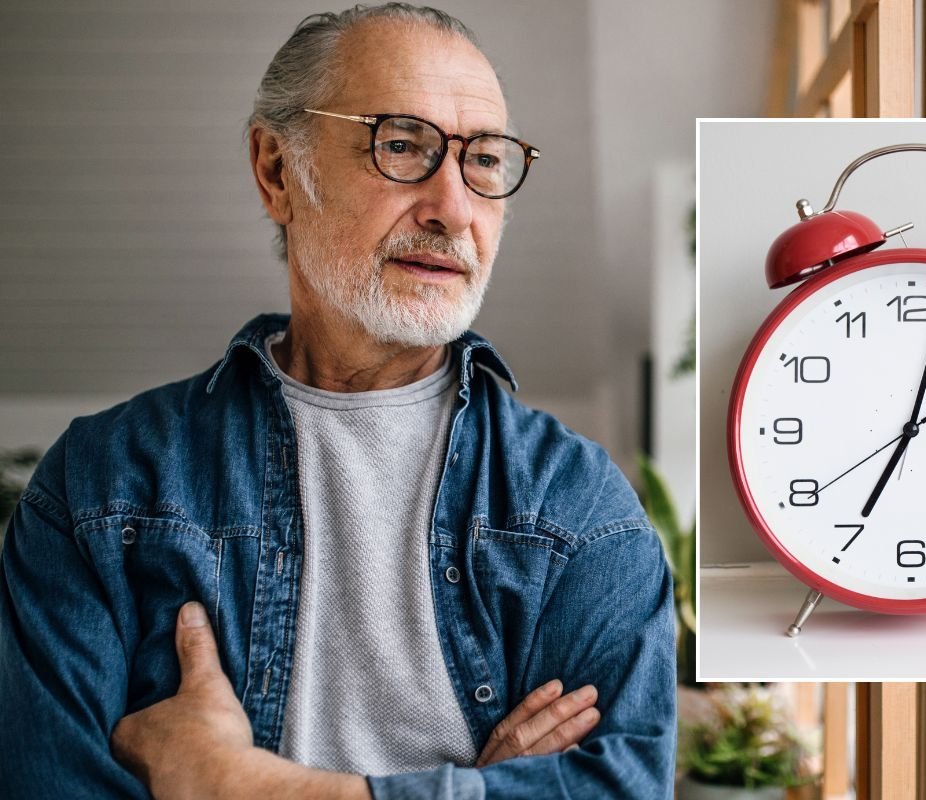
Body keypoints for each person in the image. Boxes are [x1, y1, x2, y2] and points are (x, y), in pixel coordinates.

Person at [0, 5, 676, 798]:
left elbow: (622, 787)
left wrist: (239, 786)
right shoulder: (98, 486)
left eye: (485, 161)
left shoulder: (579, 510)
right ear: (277, 171)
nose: (453, 208)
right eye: (401, 145)